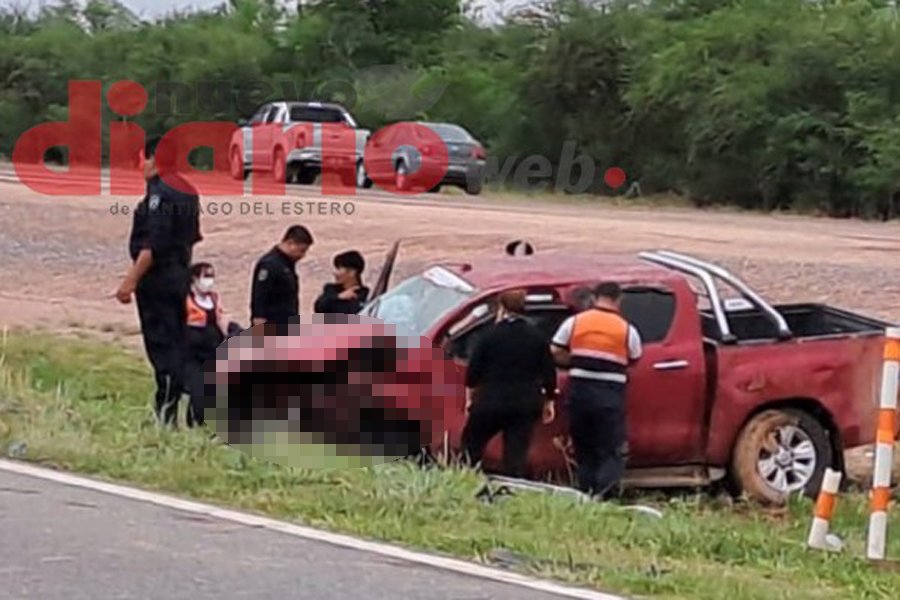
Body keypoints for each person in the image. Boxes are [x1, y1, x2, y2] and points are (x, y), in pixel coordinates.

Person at [116, 135, 201, 426]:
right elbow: (190, 241)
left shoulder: (160, 193)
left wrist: (129, 281)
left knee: (162, 345)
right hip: (180, 276)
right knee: (179, 340)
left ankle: (166, 413)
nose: (141, 165)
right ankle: (182, 407)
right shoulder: (187, 190)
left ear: (154, 158)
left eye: (143, 158)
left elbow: (153, 245)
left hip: (158, 280)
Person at [550, 282, 643, 499]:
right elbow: (635, 357)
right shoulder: (626, 329)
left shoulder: (575, 322)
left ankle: (586, 492)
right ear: (618, 300)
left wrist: (575, 360)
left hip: (580, 392)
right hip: (610, 395)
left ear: (594, 297)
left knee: (584, 447)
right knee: (611, 450)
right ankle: (603, 496)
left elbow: (554, 349)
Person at [460, 289, 558, 479]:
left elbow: (473, 373)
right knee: (516, 452)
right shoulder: (536, 337)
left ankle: (467, 479)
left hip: (491, 400)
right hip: (525, 403)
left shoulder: (489, 336)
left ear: (501, 307)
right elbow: (548, 371)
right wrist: (549, 400)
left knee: (472, 442)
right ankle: (513, 484)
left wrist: (470, 398)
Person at [184, 262, 241, 428]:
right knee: (198, 390)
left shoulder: (214, 298)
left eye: (211, 276)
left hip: (213, 350)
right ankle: (195, 423)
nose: (209, 280)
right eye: (205, 276)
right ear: (194, 278)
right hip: (193, 353)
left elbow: (221, 318)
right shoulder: (186, 300)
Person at [250, 225, 314, 326]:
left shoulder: (286, 263)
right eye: (301, 250)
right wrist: (259, 319)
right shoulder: (270, 264)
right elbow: (260, 294)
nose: (302, 255)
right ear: (290, 243)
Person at [313, 250, 370, 314]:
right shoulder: (330, 290)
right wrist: (338, 297)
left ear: (352, 272)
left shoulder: (366, 294)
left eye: (339, 269)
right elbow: (319, 307)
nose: (335, 273)